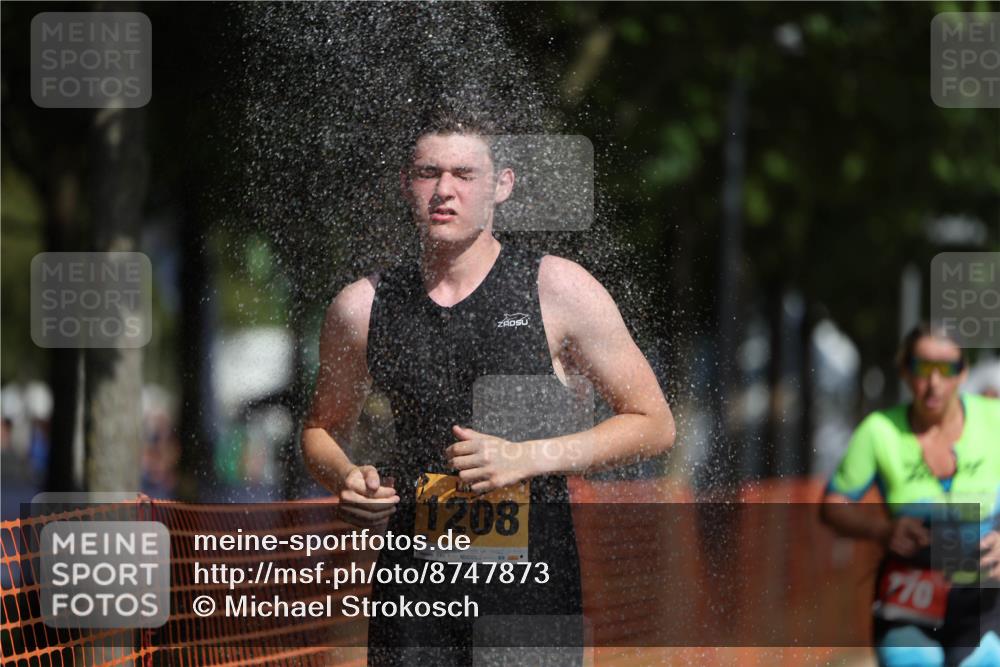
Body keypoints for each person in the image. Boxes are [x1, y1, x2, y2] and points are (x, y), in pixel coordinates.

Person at [301, 110, 675, 666]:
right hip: (415, 586)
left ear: (502, 185)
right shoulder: (361, 307)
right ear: (407, 183)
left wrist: (529, 456)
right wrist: (347, 477)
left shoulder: (556, 288)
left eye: (464, 174)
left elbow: (654, 423)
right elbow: (320, 429)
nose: (444, 190)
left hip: (531, 589)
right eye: (428, 173)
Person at [821, 323, 1000, 667]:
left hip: (981, 596)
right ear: (904, 370)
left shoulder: (994, 419)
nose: (934, 383)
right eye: (922, 368)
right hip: (911, 593)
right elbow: (832, 506)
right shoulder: (879, 430)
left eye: (946, 369)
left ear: (963, 373)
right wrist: (882, 530)